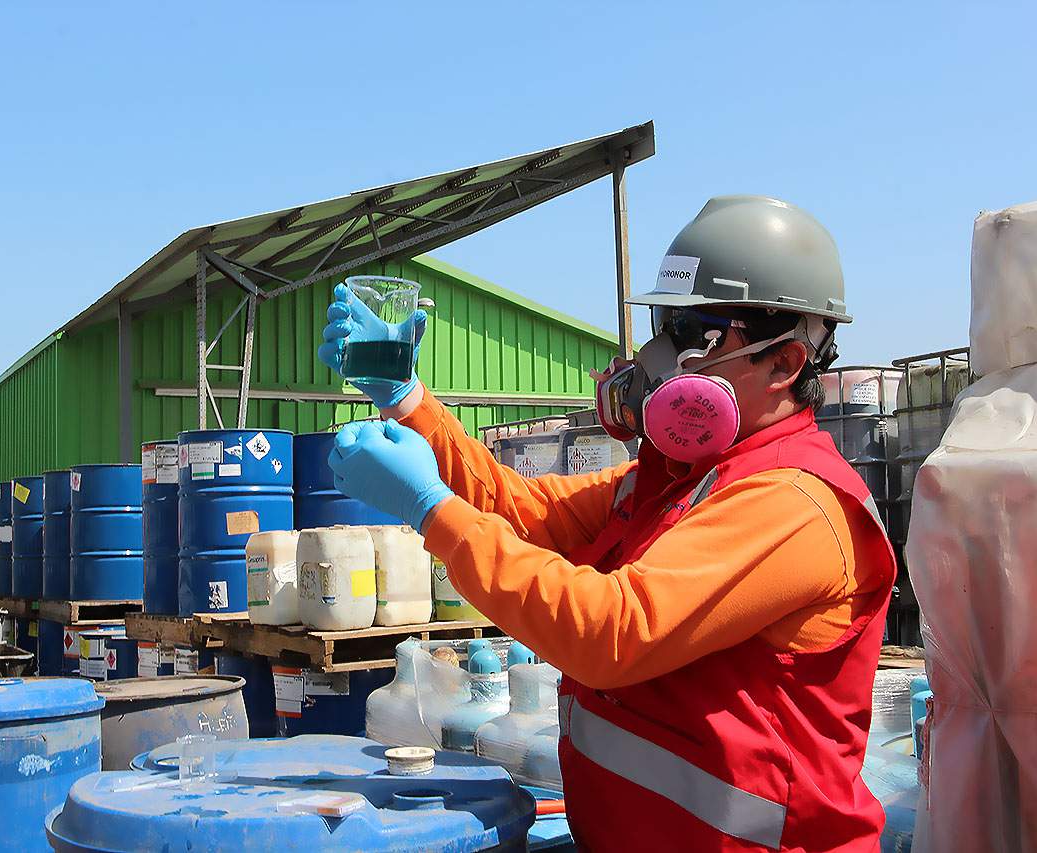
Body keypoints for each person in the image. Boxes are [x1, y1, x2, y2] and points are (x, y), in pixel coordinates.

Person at [319, 195, 896, 852]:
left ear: (785, 363)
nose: (659, 353)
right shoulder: (673, 480)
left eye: (694, 331)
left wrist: (431, 509)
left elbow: (612, 630)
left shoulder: (793, 502)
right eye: (663, 322)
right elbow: (519, 510)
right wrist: (408, 401)